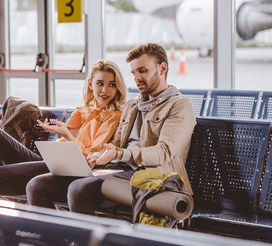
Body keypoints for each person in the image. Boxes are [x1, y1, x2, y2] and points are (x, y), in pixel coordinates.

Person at [27, 43, 196, 215]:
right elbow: (115, 144)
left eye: (142, 71)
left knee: (78, 189)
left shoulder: (179, 106)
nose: (137, 77)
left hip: (151, 174)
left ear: (162, 68)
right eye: (134, 72)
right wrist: (95, 158)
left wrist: (121, 154)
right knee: (38, 186)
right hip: (117, 170)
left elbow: (163, 152)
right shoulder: (132, 106)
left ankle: (87, 242)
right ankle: (58, 241)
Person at [0, 59, 128, 198]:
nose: (105, 90)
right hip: (50, 161)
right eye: (100, 83)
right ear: (90, 84)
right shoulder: (82, 112)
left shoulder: (114, 116)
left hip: (70, 169)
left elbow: (94, 154)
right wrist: (58, 137)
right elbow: (61, 146)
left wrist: (66, 134)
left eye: (112, 84)